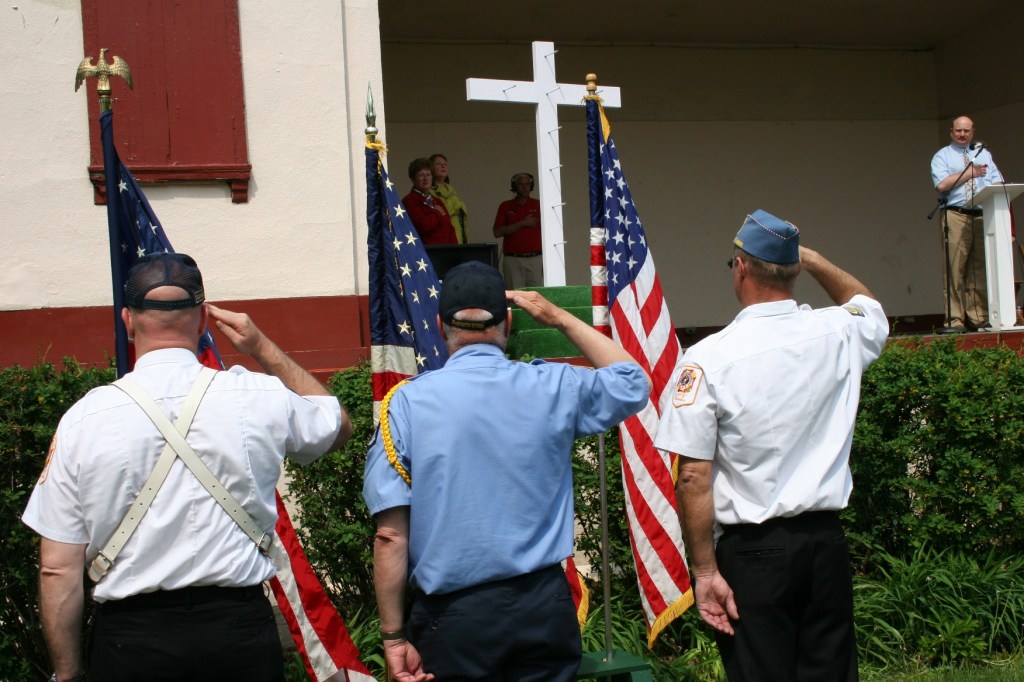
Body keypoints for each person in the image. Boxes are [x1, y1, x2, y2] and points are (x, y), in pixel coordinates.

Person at [22, 252, 352, 682]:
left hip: (131, 642)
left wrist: (67, 673)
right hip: (239, 634)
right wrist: (260, 347)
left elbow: (57, 567)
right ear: (202, 319)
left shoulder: (84, 419)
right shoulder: (255, 394)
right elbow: (337, 426)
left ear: (127, 320)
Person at [363, 261, 650, 681]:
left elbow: (390, 536)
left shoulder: (405, 405)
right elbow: (632, 380)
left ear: (441, 325)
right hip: (543, 608)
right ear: (509, 321)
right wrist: (555, 316)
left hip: (456, 619)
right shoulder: (551, 386)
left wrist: (393, 637)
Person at [654, 210, 889, 681]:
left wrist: (704, 572)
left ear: (741, 268)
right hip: (825, 542)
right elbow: (867, 304)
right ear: (796, 269)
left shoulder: (709, 358)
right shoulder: (838, 331)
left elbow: (694, 475)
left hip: (754, 552)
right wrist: (815, 260)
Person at [931, 115, 1004, 332]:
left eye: (967, 131)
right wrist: (970, 172)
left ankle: (979, 318)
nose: (962, 135)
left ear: (973, 132)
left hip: (981, 214)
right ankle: (954, 320)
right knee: (955, 269)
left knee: (978, 269)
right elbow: (942, 185)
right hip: (955, 214)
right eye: (958, 131)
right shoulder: (942, 156)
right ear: (951, 132)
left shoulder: (984, 154)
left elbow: (996, 181)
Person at [492, 172, 543, 288]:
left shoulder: (539, 205)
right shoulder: (505, 206)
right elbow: (497, 232)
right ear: (515, 186)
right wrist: (522, 223)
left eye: (527, 184)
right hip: (513, 260)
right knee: (515, 297)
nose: (525, 187)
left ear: (531, 186)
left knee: (537, 295)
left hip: (535, 259)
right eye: (521, 184)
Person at [404, 157, 457, 245]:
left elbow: (449, 227)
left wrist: (456, 251)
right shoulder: (409, 201)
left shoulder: (437, 201)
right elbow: (423, 226)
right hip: (427, 254)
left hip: (448, 252)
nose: (425, 179)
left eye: (428, 175)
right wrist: (437, 213)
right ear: (413, 179)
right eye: (421, 175)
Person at [429, 153, 469, 244]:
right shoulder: (429, 192)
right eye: (438, 164)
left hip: (459, 237)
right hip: (442, 239)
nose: (443, 166)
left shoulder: (452, 190)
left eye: (445, 164)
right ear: (430, 168)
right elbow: (441, 213)